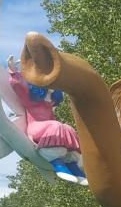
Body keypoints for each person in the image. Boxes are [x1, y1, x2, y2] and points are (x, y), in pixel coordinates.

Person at [7, 55, 87, 184]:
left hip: (49, 125)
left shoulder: (51, 99)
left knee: (68, 128)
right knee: (56, 126)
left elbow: (52, 117)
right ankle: (58, 164)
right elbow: (17, 85)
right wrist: (13, 71)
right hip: (36, 126)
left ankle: (73, 165)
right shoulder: (30, 98)